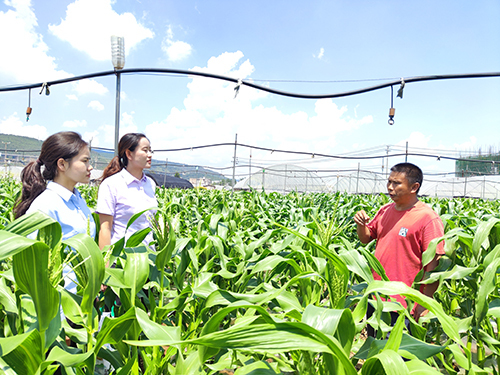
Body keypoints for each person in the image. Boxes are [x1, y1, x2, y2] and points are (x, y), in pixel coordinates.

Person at [353, 162, 445, 334]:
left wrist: (425, 302)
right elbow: (365, 238)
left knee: (396, 356)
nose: (389, 187)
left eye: (396, 183)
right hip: (376, 296)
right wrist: (360, 224)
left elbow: (435, 266)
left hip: (403, 303)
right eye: (389, 182)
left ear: (414, 187)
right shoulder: (385, 211)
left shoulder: (427, 218)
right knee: (374, 349)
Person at [14, 131, 96, 293]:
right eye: (85, 161)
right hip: (60, 305)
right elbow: (33, 266)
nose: (90, 167)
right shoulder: (45, 206)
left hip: (82, 301)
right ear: (62, 164)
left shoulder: (78, 199)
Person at [96, 133, 157, 249]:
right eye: (145, 150)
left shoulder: (150, 184)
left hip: (149, 258)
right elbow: (105, 228)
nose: (150, 155)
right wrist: (106, 263)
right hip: (121, 259)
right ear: (129, 154)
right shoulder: (111, 184)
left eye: (150, 150)